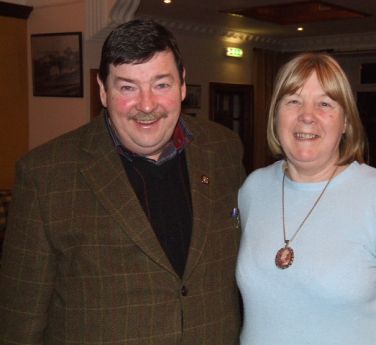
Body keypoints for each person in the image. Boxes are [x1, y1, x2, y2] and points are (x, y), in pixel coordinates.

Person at [0, 19, 245, 344]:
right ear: (103, 90)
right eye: (127, 87)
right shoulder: (45, 174)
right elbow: (20, 322)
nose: (146, 105)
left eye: (161, 85)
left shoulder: (224, 149)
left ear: (183, 85)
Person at [236, 53, 376, 344]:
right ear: (275, 115)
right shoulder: (253, 189)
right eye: (293, 101)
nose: (307, 115)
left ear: (345, 122)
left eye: (325, 103)